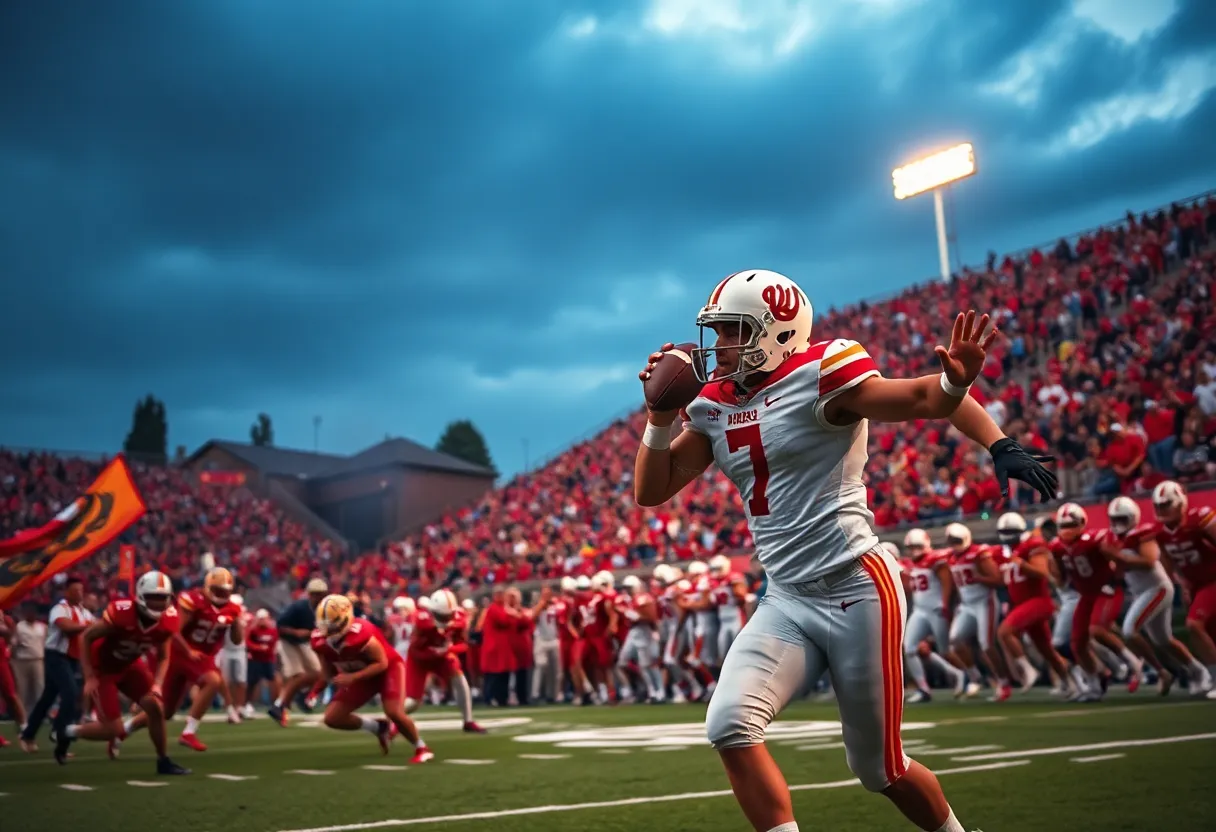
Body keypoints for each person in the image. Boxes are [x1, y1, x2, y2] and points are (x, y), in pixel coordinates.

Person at [634, 269, 1056, 832]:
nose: (722, 346)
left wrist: (990, 431)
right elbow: (652, 491)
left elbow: (925, 395)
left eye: (734, 331)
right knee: (730, 724)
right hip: (785, 597)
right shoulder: (712, 404)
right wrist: (660, 417)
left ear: (777, 331)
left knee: (881, 769)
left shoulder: (822, 372)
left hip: (856, 585)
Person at [57, 571, 190, 775]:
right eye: (153, 597)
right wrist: (90, 676)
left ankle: (163, 761)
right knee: (113, 730)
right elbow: (86, 637)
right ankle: (67, 731)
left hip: (130, 666)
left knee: (156, 707)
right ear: (141, 596)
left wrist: (157, 685)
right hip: (103, 668)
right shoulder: (121, 613)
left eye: (162, 598)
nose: (157, 603)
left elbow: (164, 656)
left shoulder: (169, 619)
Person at [312, 594, 433, 763]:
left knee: (394, 712)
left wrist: (352, 677)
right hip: (362, 676)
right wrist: (315, 691)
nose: (328, 632)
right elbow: (327, 670)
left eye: (332, 626)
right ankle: (378, 727)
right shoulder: (318, 639)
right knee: (332, 718)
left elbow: (382, 663)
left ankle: (421, 748)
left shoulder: (362, 632)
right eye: (326, 626)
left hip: (388, 669)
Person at [20, 576, 91, 753]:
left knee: (47, 699)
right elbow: (67, 627)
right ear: (67, 592)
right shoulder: (60, 609)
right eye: (75, 590)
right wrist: (88, 625)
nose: (79, 594)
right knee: (71, 694)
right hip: (56, 657)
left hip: (71, 659)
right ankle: (59, 732)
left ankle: (28, 735)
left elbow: (94, 626)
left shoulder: (83, 611)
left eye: (81, 590)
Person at [269, 577, 329, 726]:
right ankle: (279, 705)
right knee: (298, 675)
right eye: (315, 594)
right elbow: (279, 626)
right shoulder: (298, 607)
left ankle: (300, 695)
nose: (318, 597)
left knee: (319, 674)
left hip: (305, 643)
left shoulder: (325, 610)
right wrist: (296, 633)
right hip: (289, 641)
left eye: (321, 594)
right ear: (309, 594)